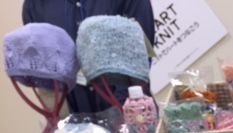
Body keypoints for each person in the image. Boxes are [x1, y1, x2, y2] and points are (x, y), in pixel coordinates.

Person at [22, 0, 155, 113]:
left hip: (133, 115)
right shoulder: (34, 5)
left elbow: (141, 50)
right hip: (76, 122)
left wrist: (123, 111)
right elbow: (46, 75)